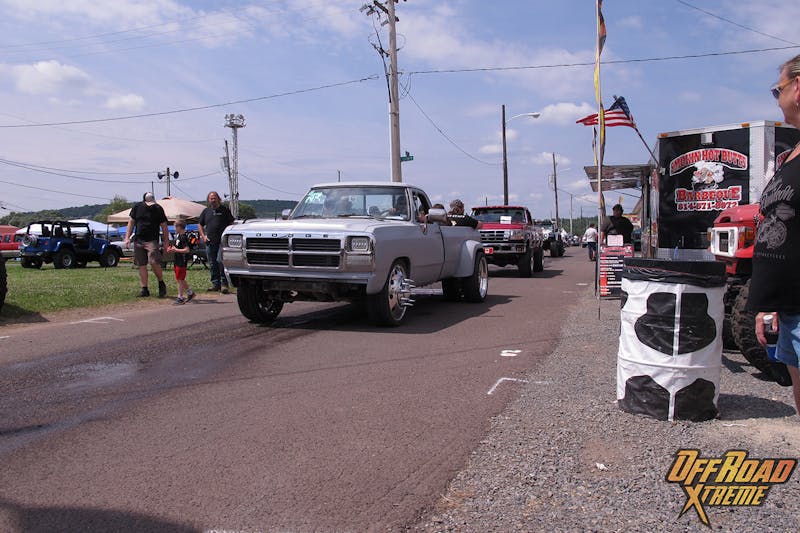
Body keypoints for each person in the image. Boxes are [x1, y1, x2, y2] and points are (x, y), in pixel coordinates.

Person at [749, 53, 800, 414]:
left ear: (798, 88)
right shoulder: (791, 155)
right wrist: (770, 303)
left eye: (776, 89)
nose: (776, 97)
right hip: (790, 309)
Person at [124, 192, 169, 298]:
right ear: (144, 201)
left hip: (152, 240)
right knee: (141, 265)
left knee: (154, 262)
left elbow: (164, 226)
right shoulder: (137, 207)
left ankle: (161, 282)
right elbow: (131, 222)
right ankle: (144, 289)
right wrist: (127, 238)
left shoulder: (158, 208)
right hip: (139, 240)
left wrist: (166, 242)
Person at [198, 191, 235, 294]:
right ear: (208, 200)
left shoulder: (224, 210)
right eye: (211, 198)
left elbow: (231, 223)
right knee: (212, 263)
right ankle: (215, 284)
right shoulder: (206, 211)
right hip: (210, 242)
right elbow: (200, 224)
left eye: (214, 198)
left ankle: (224, 284)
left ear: (218, 199)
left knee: (220, 261)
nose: (213, 200)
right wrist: (203, 236)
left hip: (222, 242)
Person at [167, 219, 195, 305]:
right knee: (180, 278)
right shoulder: (178, 236)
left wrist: (176, 250)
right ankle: (190, 293)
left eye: (175, 227)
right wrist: (172, 249)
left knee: (180, 279)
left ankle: (180, 297)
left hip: (182, 261)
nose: (174, 228)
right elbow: (177, 248)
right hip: (177, 259)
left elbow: (187, 250)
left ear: (179, 227)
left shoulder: (183, 237)